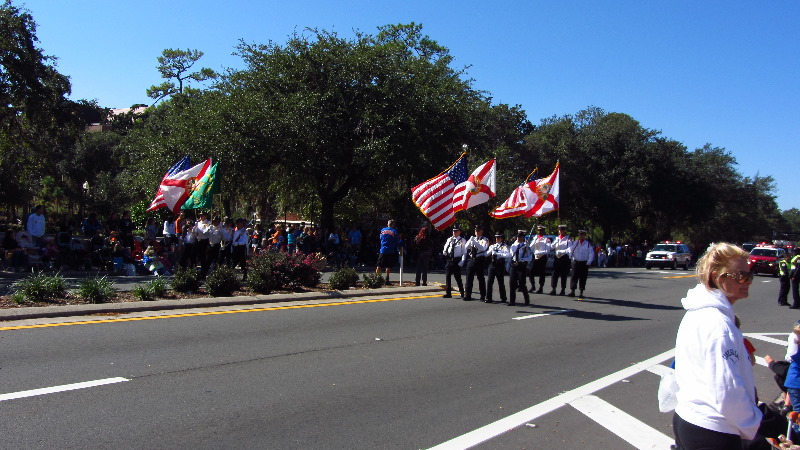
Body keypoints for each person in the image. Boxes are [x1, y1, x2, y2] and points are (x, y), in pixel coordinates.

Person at [672, 242, 761, 449]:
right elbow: (727, 391)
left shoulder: (698, 312)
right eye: (740, 275)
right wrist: (753, 422)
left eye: (749, 275)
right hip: (713, 430)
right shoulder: (718, 325)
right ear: (716, 276)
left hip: (690, 418)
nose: (747, 281)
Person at [463, 225, 490, 301]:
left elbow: (483, 248)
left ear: (481, 231)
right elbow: (466, 247)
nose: (477, 232)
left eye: (478, 231)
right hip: (471, 259)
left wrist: (475, 242)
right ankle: (467, 295)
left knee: (480, 278)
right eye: (476, 231)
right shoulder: (472, 238)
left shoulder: (485, 239)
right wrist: (471, 241)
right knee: (469, 278)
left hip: (479, 260)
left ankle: (483, 295)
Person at [508, 231, 532, 306]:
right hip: (514, 265)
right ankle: (512, 301)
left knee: (522, 283)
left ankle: (526, 299)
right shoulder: (514, 245)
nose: (519, 238)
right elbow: (511, 254)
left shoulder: (526, 246)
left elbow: (530, 257)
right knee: (512, 283)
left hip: (521, 266)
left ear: (523, 238)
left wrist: (524, 259)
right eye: (518, 237)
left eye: (520, 237)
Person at [442, 226, 466, 298]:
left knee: (458, 277)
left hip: (457, 260)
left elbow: (464, 252)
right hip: (449, 260)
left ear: (459, 232)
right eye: (453, 231)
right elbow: (446, 247)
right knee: (448, 276)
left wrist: (463, 260)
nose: (454, 233)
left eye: (456, 231)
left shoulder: (462, 240)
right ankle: (448, 293)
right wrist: (444, 252)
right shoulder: (449, 239)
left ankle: (462, 292)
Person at [569, 230, 594, 297]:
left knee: (583, 278)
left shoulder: (587, 244)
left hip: (584, 263)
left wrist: (589, 261)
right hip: (576, 262)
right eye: (580, 234)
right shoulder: (575, 242)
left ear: (585, 236)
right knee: (574, 276)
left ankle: (581, 292)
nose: (581, 236)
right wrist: (570, 257)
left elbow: (591, 253)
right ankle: (572, 291)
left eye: (582, 235)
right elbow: (571, 250)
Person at [486, 232, 510, 303]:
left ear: (501, 239)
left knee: (500, 282)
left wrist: (498, 254)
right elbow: (487, 254)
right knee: (489, 281)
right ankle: (488, 297)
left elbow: (507, 255)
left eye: (498, 238)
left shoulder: (504, 246)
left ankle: (503, 298)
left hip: (499, 264)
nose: (497, 239)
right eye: (496, 237)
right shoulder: (493, 246)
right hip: (492, 264)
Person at [528, 225, 551, 294]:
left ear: (543, 231)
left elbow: (548, 250)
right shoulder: (536, 238)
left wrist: (539, 252)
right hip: (535, 256)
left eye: (541, 230)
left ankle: (541, 287)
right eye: (538, 230)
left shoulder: (547, 239)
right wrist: (534, 240)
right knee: (531, 271)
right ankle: (533, 286)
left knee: (542, 273)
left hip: (542, 257)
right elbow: (531, 247)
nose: (539, 232)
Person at [550, 224, 572, 296]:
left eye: (562, 230)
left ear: (564, 231)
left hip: (564, 257)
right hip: (557, 257)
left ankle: (563, 289)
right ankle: (553, 289)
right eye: (560, 230)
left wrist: (562, 251)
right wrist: (553, 244)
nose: (561, 231)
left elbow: (570, 249)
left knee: (563, 274)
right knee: (554, 274)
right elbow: (551, 247)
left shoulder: (568, 239)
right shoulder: (556, 238)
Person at [376, 220, 399, 284]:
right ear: (393, 225)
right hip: (390, 250)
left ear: (387, 224)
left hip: (382, 250)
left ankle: (376, 278)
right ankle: (387, 279)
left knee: (379, 265)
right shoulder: (394, 231)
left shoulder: (382, 230)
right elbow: (396, 241)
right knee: (388, 266)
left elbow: (380, 238)